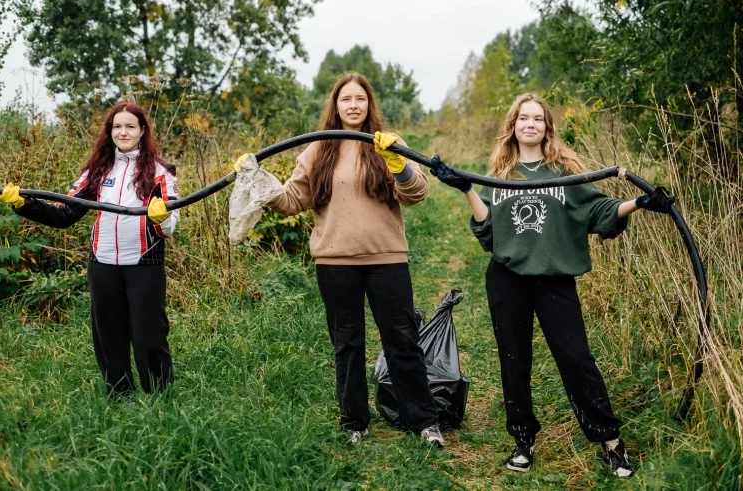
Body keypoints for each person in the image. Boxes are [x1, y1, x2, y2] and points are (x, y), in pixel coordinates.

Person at [430, 93, 674, 477]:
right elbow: (489, 231)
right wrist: (466, 189)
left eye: (538, 119)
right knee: (514, 361)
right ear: (513, 125)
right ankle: (522, 440)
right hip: (508, 280)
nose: (530, 124)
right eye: (523, 118)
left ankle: (610, 441)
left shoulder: (566, 171)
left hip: (555, 280)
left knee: (577, 358)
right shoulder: (500, 174)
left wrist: (639, 203)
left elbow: (599, 210)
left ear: (547, 127)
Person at [234, 72, 444, 446]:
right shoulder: (316, 150)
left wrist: (398, 164)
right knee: (347, 343)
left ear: (369, 105)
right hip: (335, 264)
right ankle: (355, 423)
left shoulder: (387, 144)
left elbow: (418, 193)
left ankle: (424, 420)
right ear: (335, 106)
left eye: (359, 99)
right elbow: (291, 202)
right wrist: (257, 181)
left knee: (402, 340)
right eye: (346, 99)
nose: (353, 105)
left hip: (387, 259)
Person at [0, 102, 180, 397]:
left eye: (130, 126)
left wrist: (162, 217)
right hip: (102, 263)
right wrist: (22, 204)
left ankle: (160, 396)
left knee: (148, 337)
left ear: (142, 131)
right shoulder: (98, 170)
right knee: (108, 335)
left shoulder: (161, 172)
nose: (123, 132)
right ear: (110, 131)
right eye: (117, 126)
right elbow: (64, 213)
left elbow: (170, 224)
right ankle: (119, 396)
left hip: (144, 263)